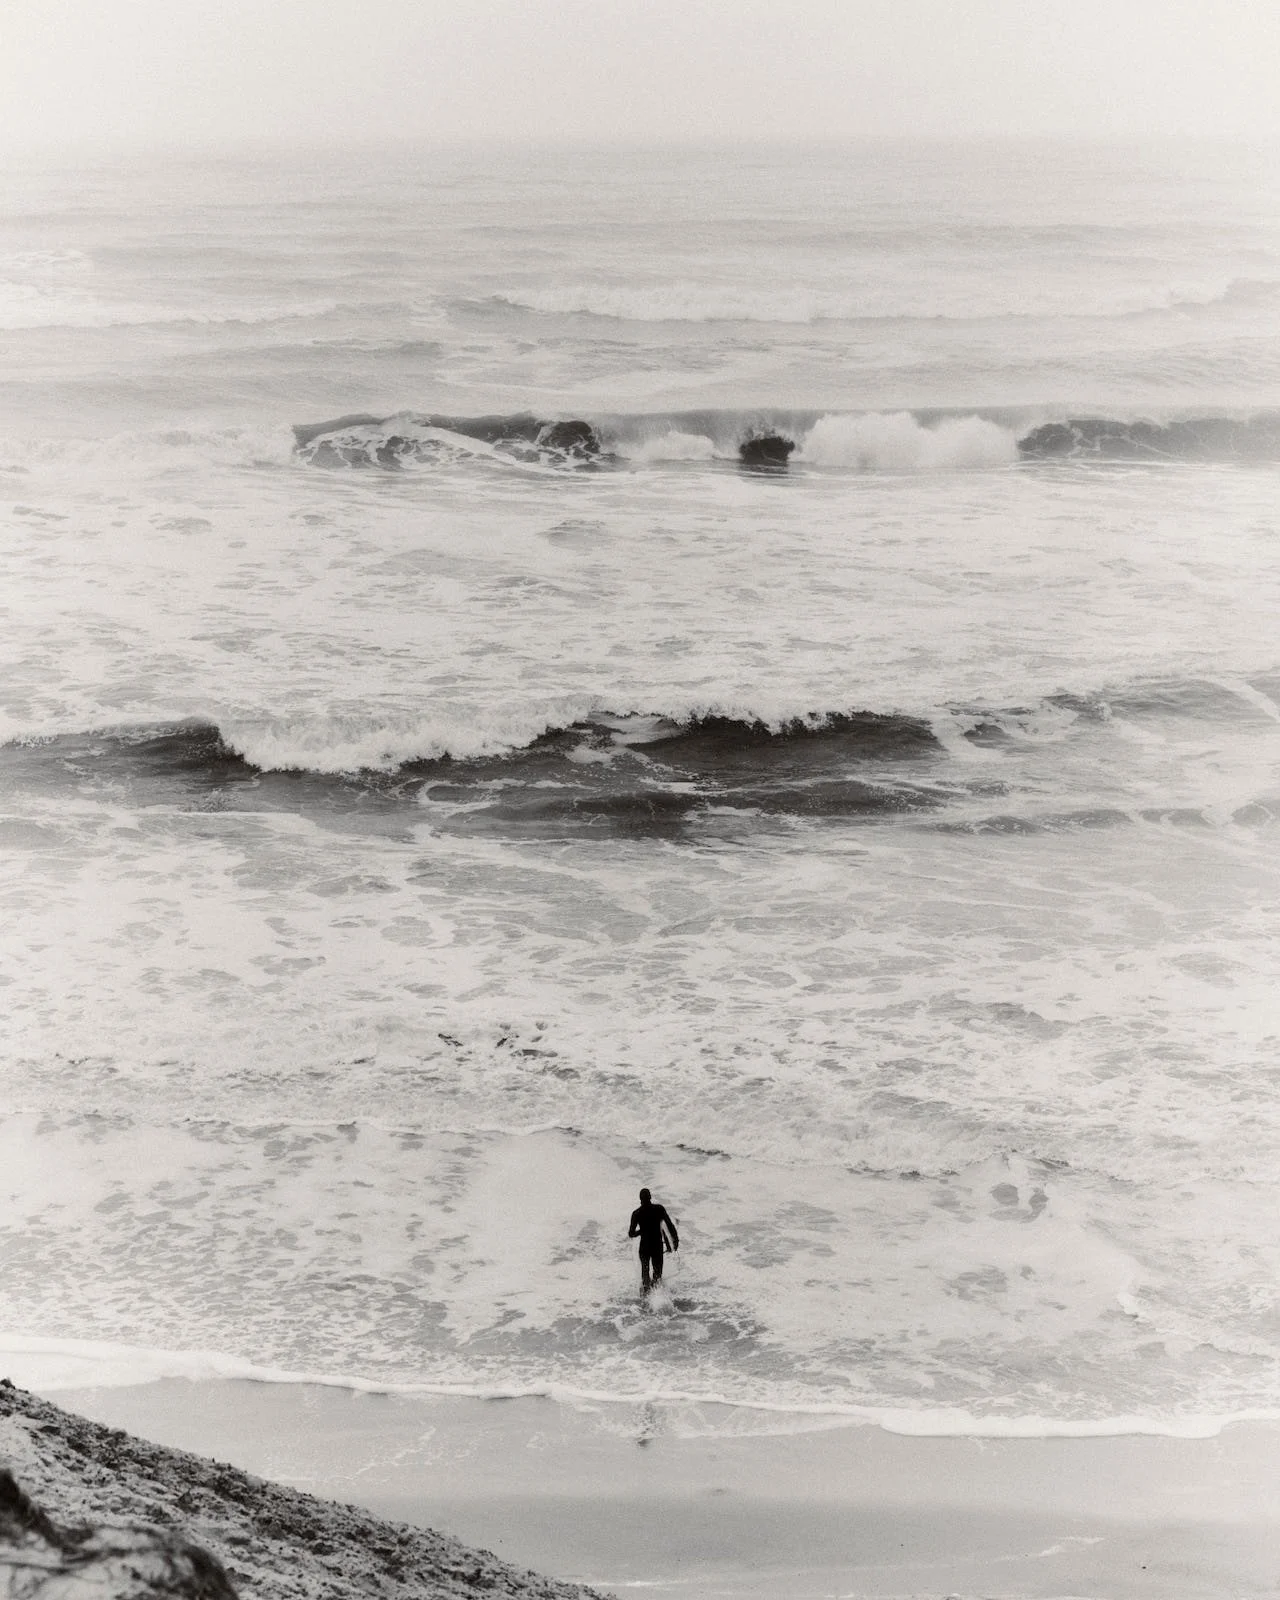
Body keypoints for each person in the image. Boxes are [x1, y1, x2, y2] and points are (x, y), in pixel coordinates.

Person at [628, 1188, 678, 1291]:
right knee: (657, 1275)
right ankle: (657, 1298)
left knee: (645, 1276)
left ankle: (646, 1299)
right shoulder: (659, 1209)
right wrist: (675, 1240)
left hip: (644, 1247)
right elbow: (670, 1225)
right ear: (650, 1197)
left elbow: (631, 1233)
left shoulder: (637, 1213)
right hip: (656, 1246)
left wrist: (642, 1231)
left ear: (640, 1199)